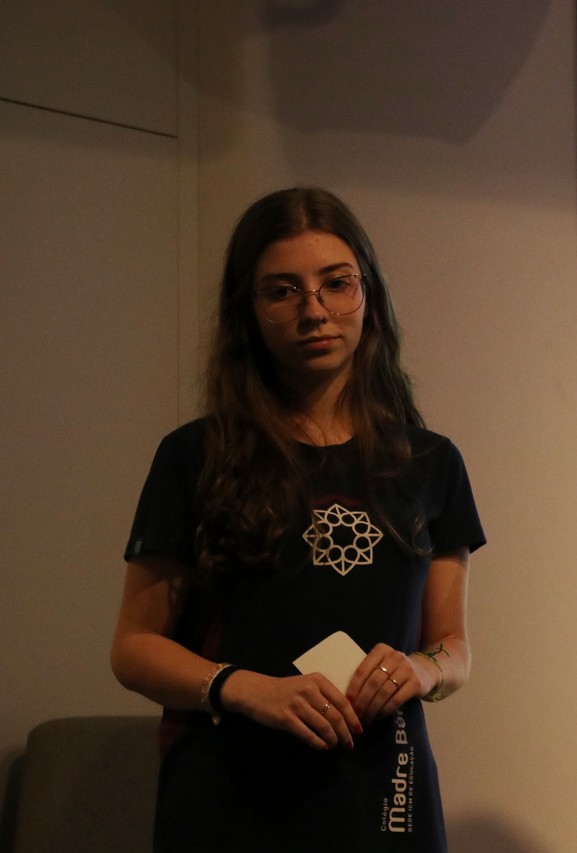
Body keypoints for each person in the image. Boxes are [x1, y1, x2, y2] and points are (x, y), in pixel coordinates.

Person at [111, 187, 485, 852]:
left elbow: (451, 647)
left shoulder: (431, 462)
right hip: (230, 799)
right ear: (248, 310)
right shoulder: (195, 456)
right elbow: (134, 649)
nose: (314, 310)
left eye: (336, 284)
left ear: (368, 295)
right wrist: (244, 688)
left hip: (383, 797)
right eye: (282, 291)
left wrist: (421, 671)